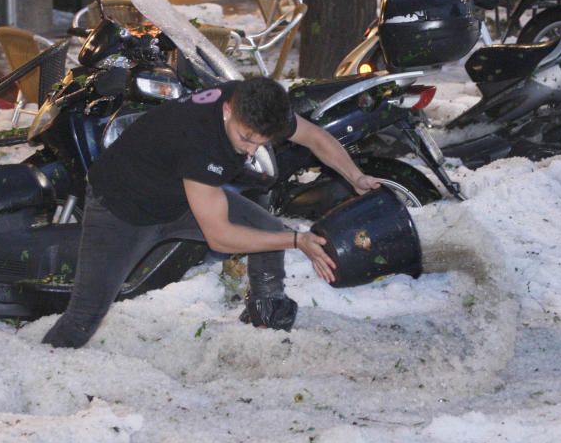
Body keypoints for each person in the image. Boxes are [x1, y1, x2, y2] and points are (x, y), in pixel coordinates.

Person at [41, 77, 381, 349]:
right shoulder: (200, 142)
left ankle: (268, 318)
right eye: (246, 139)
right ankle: (47, 367)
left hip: (179, 192)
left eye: (261, 143)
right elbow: (219, 236)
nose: (251, 150)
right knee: (85, 316)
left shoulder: (254, 102)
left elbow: (315, 138)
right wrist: (296, 240)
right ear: (227, 111)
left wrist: (356, 176)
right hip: (122, 208)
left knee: (265, 227)